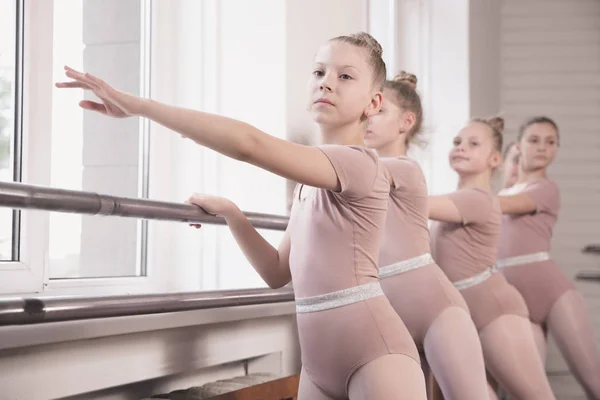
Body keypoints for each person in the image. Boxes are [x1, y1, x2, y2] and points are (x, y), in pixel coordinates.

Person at [57, 32, 426, 400]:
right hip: (317, 367)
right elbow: (276, 271)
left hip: (377, 356)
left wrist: (140, 107)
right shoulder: (307, 184)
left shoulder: (359, 163)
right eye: (318, 72)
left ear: (374, 102)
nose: (327, 82)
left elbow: (249, 145)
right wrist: (234, 215)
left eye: (345, 76)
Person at [364, 71, 489, 400]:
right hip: (386, 311)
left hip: (436, 308)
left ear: (406, 122)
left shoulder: (404, 169)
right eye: (366, 108)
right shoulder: (361, 169)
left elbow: (335, 168)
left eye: (379, 110)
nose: (367, 117)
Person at [428, 116, 556, 399]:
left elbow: (414, 204)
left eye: (473, 144)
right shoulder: (454, 198)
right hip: (460, 313)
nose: (461, 148)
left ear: (495, 158)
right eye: (457, 142)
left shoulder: (479, 198)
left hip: (494, 311)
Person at [497, 116, 600, 399]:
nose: (542, 147)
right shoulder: (503, 192)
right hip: (514, 297)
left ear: (556, 149)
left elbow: (506, 205)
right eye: (534, 140)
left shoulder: (545, 189)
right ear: (518, 146)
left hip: (552, 292)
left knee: (594, 382)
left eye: (550, 142)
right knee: (528, 389)